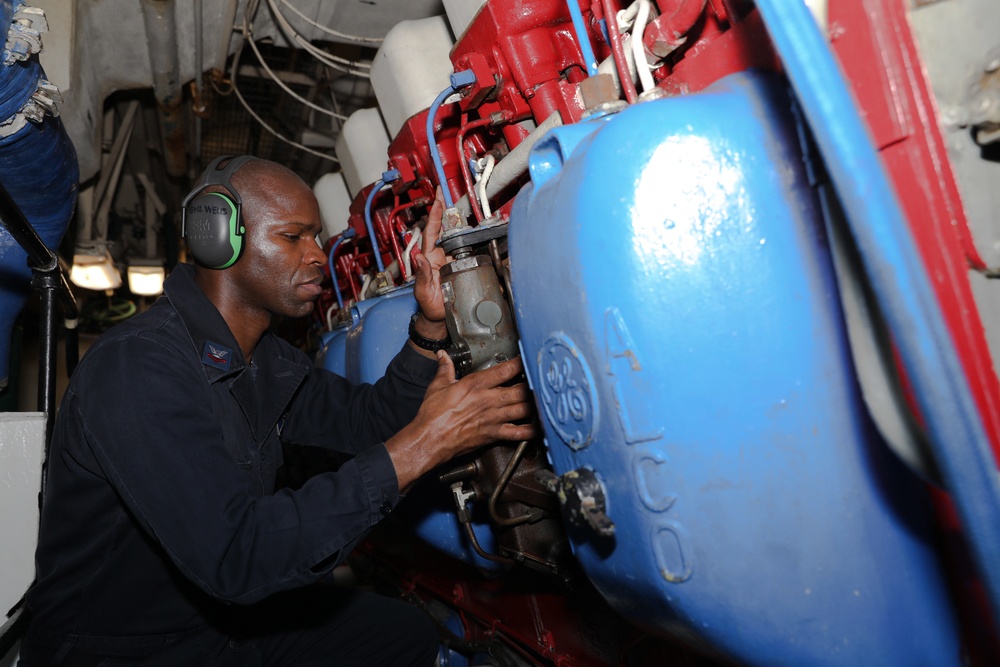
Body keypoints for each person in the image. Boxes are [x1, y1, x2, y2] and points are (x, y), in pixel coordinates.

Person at [19, 157, 537, 665]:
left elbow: (371, 422)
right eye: (294, 237)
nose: (317, 256)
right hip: (121, 649)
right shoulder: (137, 369)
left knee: (402, 635)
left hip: (213, 623)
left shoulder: (264, 361)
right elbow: (235, 554)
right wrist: (427, 443)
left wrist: (428, 327)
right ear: (216, 238)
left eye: (317, 237)